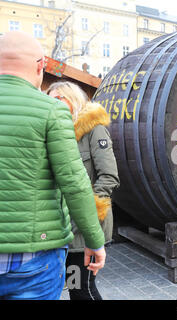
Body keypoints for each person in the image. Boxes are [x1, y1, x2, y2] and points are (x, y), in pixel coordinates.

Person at [0, 31, 106, 300]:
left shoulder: (93, 128)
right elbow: (75, 182)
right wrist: (95, 241)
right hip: (32, 258)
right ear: (40, 67)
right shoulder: (49, 111)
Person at [46, 81, 119, 300]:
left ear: (74, 99)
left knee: (82, 289)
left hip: (85, 228)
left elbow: (109, 177)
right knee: (70, 285)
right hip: (60, 226)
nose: (53, 103)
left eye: (59, 98)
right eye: (49, 99)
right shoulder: (54, 131)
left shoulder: (93, 130)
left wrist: (87, 216)